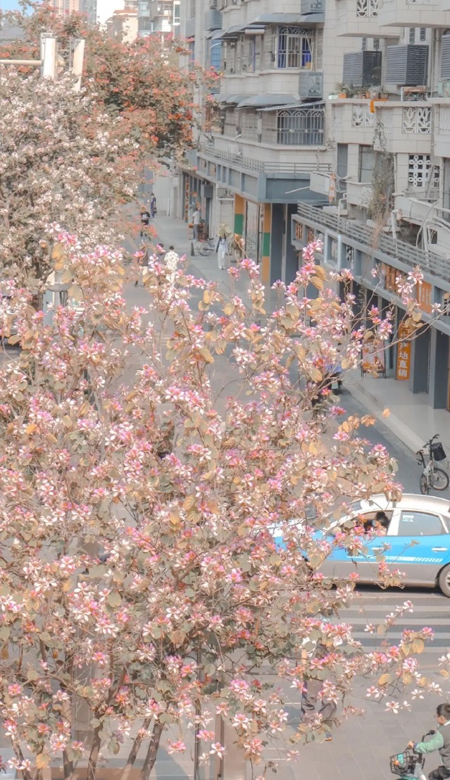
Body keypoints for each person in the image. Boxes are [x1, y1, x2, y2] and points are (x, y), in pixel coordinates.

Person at [300, 643, 336, 741]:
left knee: (330, 696)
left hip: (329, 662)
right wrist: (304, 666)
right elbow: (303, 646)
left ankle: (324, 726)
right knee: (310, 696)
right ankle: (310, 725)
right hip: (311, 662)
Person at [408, 704, 450, 780]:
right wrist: (437, 729)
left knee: (433, 776)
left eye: (436, 716)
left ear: (441, 718)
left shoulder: (442, 735)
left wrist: (415, 746)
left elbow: (429, 747)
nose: (435, 717)